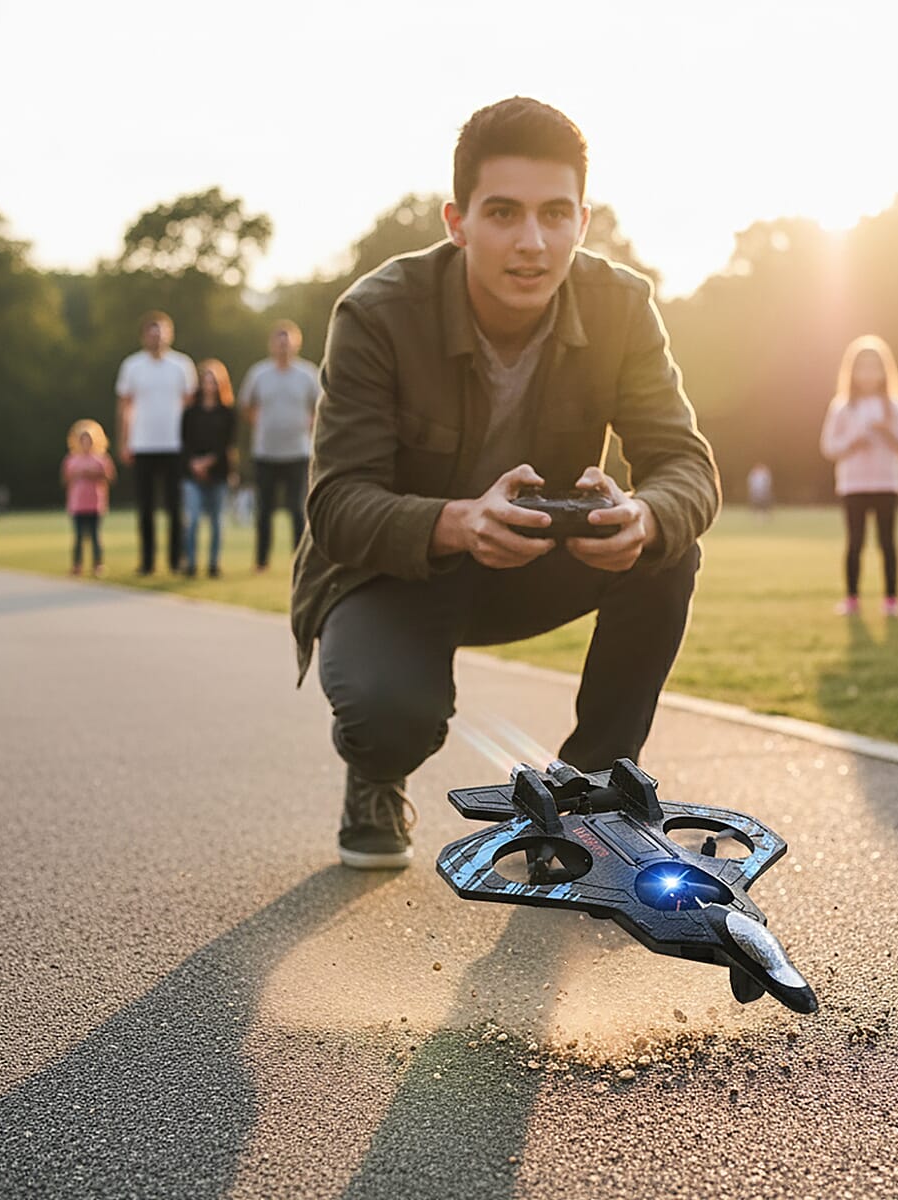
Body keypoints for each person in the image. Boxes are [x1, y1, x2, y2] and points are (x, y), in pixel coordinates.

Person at [291, 96, 721, 869]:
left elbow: (686, 463)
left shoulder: (623, 305)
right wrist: (459, 521)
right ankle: (377, 771)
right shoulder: (378, 313)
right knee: (392, 716)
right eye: (503, 213)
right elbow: (336, 504)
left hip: (536, 564)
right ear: (456, 221)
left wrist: (645, 516)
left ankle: (589, 801)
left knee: (667, 549)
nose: (532, 243)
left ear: (583, 221)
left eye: (556, 214)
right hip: (397, 567)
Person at [819, 336, 898, 616]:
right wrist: (853, 441)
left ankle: (891, 599)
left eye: (874, 368)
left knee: (887, 542)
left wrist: (887, 431)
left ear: (885, 371)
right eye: (862, 368)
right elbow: (828, 446)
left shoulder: (895, 406)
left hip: (887, 483)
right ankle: (852, 597)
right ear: (851, 372)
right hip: (853, 484)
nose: (868, 374)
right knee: (855, 542)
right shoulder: (842, 406)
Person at [115, 311, 197, 575]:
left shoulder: (182, 365)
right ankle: (147, 561)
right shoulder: (132, 366)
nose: (157, 336)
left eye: (161, 331)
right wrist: (124, 441)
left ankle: (176, 560)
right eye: (152, 332)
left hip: (174, 445)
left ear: (169, 334)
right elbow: (125, 406)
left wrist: (191, 445)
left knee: (176, 508)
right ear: (144, 336)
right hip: (143, 445)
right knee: (146, 508)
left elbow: (190, 407)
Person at [239, 320, 319, 572]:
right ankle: (261, 561)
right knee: (264, 511)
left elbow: (321, 407)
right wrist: (262, 426)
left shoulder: (308, 374)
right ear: (272, 345)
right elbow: (246, 405)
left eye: (288, 341)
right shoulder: (258, 374)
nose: (283, 346)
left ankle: (301, 561)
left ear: (296, 343)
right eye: (279, 341)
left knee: (298, 510)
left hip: (298, 452)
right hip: (266, 452)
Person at [180, 359, 238, 578]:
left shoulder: (227, 413)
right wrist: (195, 463)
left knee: (217, 522)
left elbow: (228, 444)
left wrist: (209, 462)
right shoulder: (190, 413)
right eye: (205, 380)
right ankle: (191, 563)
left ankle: (214, 564)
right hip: (191, 473)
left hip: (219, 473)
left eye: (213, 381)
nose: (209, 385)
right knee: (192, 519)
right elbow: (184, 442)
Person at [61, 420, 116, 576]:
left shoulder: (101, 459)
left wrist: (92, 474)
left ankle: (98, 564)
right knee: (78, 536)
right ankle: (77, 565)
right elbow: (65, 479)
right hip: (77, 503)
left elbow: (110, 477)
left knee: (95, 536)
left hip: (95, 503)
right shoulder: (71, 460)